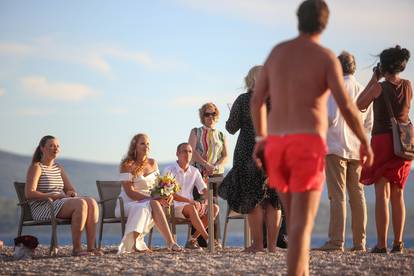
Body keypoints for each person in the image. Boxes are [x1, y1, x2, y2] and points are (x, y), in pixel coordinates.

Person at [250, 1, 373, 275]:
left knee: (294, 221)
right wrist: (364, 142)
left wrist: (261, 138)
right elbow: (346, 105)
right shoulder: (324, 57)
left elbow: (257, 99)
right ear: (325, 24)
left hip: (278, 144)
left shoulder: (277, 53)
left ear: (298, 19)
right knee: (300, 228)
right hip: (307, 144)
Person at [219, 65, 282, 253]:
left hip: (248, 152)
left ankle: (257, 245)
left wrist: (229, 118)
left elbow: (231, 128)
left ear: (250, 80)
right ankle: (272, 246)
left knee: (251, 197)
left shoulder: (245, 99)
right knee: (273, 200)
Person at [357, 45, 412, 254]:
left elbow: (359, 104)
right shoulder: (408, 85)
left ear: (383, 66)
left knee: (382, 194)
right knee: (399, 194)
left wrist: (374, 79)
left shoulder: (379, 87)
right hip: (404, 142)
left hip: (382, 141)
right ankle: (398, 243)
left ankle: (381, 244)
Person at [318, 51, 373, 252]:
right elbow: (368, 124)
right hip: (357, 148)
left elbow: (330, 118)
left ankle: (336, 241)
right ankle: (360, 243)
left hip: (335, 146)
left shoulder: (334, 89)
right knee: (358, 195)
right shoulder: (362, 89)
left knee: (337, 195)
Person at [26, 135, 101, 256]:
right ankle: (77, 249)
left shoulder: (58, 168)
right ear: (42, 148)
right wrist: (54, 196)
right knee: (80, 203)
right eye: (51, 146)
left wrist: (71, 193)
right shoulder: (37, 167)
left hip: (58, 203)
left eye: (57, 146)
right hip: (44, 207)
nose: (55, 148)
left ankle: (91, 248)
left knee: (92, 202)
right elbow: (29, 193)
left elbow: (70, 189)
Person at [115, 133, 182, 253]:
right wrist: (152, 198)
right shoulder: (127, 165)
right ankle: (138, 243)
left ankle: (169, 242)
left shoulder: (153, 163)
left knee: (152, 205)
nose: (146, 146)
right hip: (129, 203)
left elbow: (157, 186)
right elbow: (130, 192)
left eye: (148, 144)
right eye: (142, 143)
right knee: (149, 205)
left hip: (149, 201)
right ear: (134, 146)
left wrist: (167, 195)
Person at [163, 143, 220, 250]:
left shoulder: (194, 171)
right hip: (174, 206)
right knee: (192, 207)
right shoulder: (169, 170)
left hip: (190, 206)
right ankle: (209, 239)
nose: (187, 154)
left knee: (214, 208)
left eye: (190, 152)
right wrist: (190, 201)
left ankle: (191, 240)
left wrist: (206, 202)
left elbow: (204, 190)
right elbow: (168, 194)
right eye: (184, 151)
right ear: (177, 153)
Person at [188, 102, 228, 248]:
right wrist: (206, 165)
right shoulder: (195, 132)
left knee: (214, 206)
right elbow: (191, 151)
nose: (210, 117)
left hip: (216, 174)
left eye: (213, 114)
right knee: (199, 206)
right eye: (207, 114)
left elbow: (225, 155)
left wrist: (215, 166)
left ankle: (214, 240)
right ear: (202, 116)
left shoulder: (221, 134)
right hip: (198, 173)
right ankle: (197, 242)